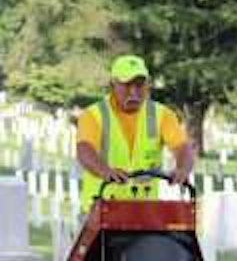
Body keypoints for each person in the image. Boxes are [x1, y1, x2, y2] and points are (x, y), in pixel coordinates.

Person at [76, 54, 194, 211]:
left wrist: (183, 169)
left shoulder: (163, 115)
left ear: (147, 85)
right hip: (100, 210)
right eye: (126, 85)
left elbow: (181, 147)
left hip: (144, 212)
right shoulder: (93, 115)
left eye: (139, 85)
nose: (133, 92)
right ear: (113, 85)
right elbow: (84, 150)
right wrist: (104, 170)